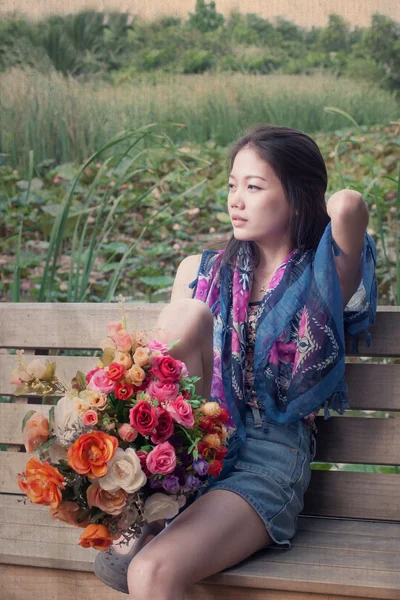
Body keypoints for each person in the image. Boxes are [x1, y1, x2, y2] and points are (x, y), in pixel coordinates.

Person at [94, 124, 377, 599]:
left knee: (150, 573)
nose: (235, 200)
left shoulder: (323, 275)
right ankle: (148, 481)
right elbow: (170, 378)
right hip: (202, 447)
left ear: (297, 197)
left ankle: (152, 521)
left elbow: (347, 206)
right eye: (231, 185)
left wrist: (312, 197)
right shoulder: (200, 271)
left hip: (270, 459)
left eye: (254, 186)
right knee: (188, 311)